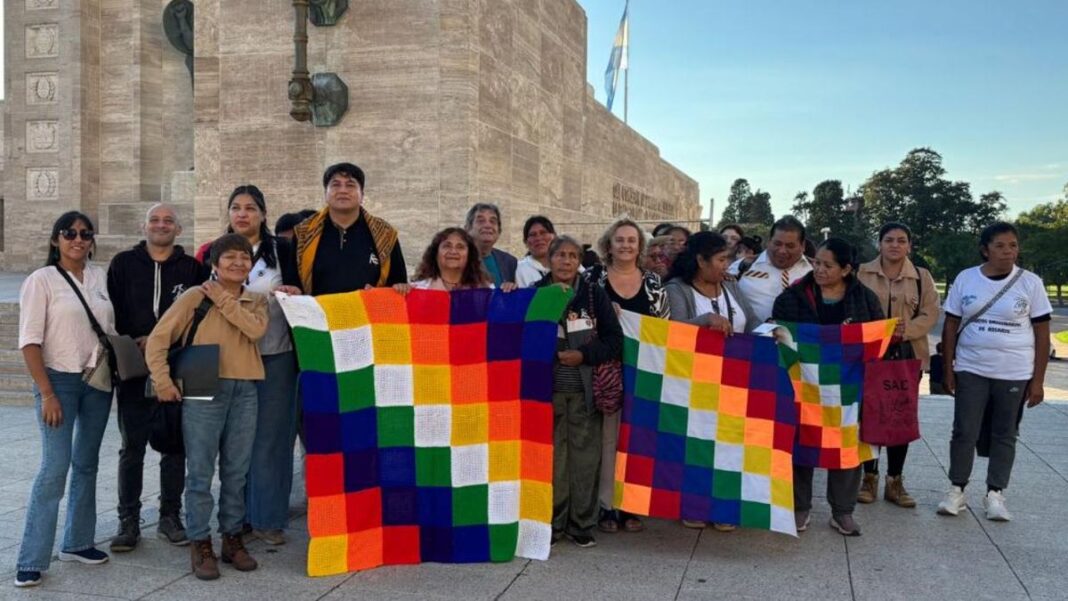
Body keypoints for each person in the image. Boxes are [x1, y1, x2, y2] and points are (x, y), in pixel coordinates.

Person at [146, 234, 269, 580]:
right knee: (200, 472)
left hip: (245, 389)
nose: (237, 264)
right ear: (215, 264)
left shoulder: (256, 301)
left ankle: (232, 538)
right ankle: (200, 542)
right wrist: (163, 381)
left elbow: (255, 332)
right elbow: (158, 338)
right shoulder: (194, 297)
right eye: (229, 258)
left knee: (237, 471)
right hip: (203, 388)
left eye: (244, 258)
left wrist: (225, 301)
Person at [14, 212, 116, 588]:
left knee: (86, 463)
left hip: (96, 381)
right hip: (58, 380)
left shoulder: (99, 276)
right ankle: (32, 558)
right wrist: (47, 393)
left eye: (85, 233)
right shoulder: (41, 281)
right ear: (56, 239)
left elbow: (108, 328)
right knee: (55, 468)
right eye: (69, 233)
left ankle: (77, 541)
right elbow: (29, 341)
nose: (78, 239)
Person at [200, 186, 302, 545]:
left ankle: (269, 517)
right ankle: (234, 518)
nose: (242, 214)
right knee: (232, 440)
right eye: (236, 208)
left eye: (250, 208)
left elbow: (302, 287)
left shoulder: (284, 250)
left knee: (273, 439)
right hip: (227, 358)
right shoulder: (212, 251)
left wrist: (295, 292)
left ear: (262, 213)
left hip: (275, 354)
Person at [106, 204, 207, 553]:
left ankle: (169, 515)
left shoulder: (192, 268)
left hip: (178, 365)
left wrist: (164, 340)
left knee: (175, 445)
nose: (161, 225)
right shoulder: (122, 263)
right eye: (154, 220)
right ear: (143, 225)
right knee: (132, 446)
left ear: (179, 230)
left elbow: (198, 316)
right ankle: (128, 520)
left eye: (168, 221)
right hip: (134, 366)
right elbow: (113, 311)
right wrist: (137, 338)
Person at [937, 222, 1051, 522]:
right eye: (1000, 245)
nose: (1008, 252)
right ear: (985, 248)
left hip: (1014, 371)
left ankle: (995, 494)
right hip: (972, 367)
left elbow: (1042, 333)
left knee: (1005, 433)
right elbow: (950, 325)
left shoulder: (1031, 283)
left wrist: (1038, 381)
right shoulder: (966, 279)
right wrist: (949, 368)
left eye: (1013, 245)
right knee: (964, 430)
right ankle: (956, 489)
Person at [772, 238, 884, 536]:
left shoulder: (866, 300)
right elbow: (780, 334)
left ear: (847, 269)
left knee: (848, 446)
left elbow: (877, 342)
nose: (819, 269)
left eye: (828, 265)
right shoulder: (792, 297)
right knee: (798, 443)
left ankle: (843, 511)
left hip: (848, 390)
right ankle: (799, 508)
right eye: (817, 262)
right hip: (802, 387)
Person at [664, 231, 759, 531]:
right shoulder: (677, 289)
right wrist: (704, 322)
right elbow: (674, 331)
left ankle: (724, 506)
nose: (726, 266)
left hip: (735, 382)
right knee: (698, 446)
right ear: (700, 261)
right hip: (695, 385)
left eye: (728, 260)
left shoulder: (730, 286)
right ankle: (694, 506)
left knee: (730, 445)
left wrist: (773, 331)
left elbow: (751, 320)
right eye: (720, 260)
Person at [536, 236, 622, 548]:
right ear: (550, 258)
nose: (567, 261)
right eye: (560, 255)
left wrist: (584, 355)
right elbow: (519, 337)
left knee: (585, 461)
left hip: (586, 394)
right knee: (553, 461)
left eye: (573, 256)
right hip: (547, 392)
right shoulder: (534, 293)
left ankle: (581, 524)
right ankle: (553, 523)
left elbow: (614, 340)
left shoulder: (593, 293)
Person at [584, 218, 668, 535]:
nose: (626, 245)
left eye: (632, 240)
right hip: (604, 370)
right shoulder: (593, 279)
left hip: (642, 371)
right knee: (607, 439)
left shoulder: (653, 284)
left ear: (640, 246)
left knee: (637, 439)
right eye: (619, 240)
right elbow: (576, 314)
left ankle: (632, 505)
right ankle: (607, 505)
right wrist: (604, 313)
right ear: (609, 244)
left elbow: (664, 330)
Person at [855, 222, 940, 508]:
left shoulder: (921, 277)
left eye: (901, 240)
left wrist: (905, 331)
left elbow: (930, 313)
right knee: (869, 414)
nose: (895, 245)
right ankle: (870, 477)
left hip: (906, 355)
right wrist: (877, 332)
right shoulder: (862, 273)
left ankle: (895, 480)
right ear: (879, 243)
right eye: (889, 240)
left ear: (909, 246)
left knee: (899, 415)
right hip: (870, 354)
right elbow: (854, 308)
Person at [290, 162, 407, 296]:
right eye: (336, 185)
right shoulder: (304, 233)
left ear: (362, 195)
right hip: (317, 314)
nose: (343, 190)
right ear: (325, 194)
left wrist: (382, 292)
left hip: (368, 314)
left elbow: (398, 284)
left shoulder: (385, 234)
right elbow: (293, 283)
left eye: (350, 185)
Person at [734, 216, 813, 323]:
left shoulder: (814, 271)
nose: (782, 251)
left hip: (802, 338)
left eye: (790, 246)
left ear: (802, 246)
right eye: (777, 244)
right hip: (752, 338)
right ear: (769, 241)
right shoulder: (741, 267)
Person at [394, 227, 514, 293]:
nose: (453, 251)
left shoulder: (487, 291)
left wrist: (510, 293)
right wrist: (398, 294)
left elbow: (502, 324)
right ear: (435, 253)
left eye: (460, 247)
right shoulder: (417, 290)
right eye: (447, 246)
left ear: (469, 255)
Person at [465, 202, 517, 286]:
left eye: (493, 221)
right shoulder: (458, 259)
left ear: (499, 230)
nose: (488, 225)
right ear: (468, 228)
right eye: (481, 221)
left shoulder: (510, 262)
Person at [515, 216, 557, 288]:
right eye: (533, 235)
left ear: (554, 236)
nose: (538, 238)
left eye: (543, 232)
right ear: (526, 242)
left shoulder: (567, 265)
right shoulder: (518, 270)